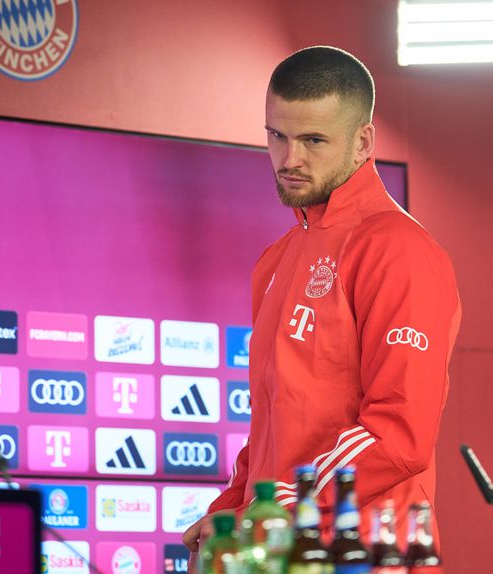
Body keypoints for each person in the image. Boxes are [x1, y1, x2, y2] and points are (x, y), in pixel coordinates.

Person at [183, 45, 461, 566]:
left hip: (365, 554)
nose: (290, 159)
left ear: (363, 142)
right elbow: (273, 431)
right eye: (277, 136)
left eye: (313, 140)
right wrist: (229, 511)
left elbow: (398, 436)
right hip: (281, 551)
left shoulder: (399, 250)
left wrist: (274, 510)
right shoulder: (278, 258)